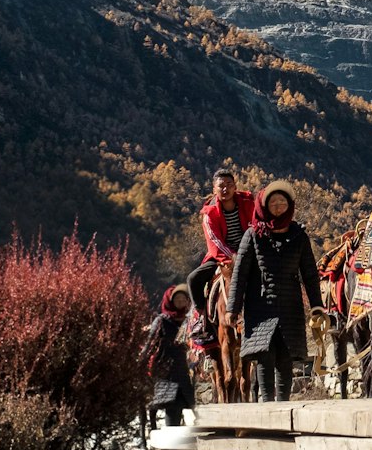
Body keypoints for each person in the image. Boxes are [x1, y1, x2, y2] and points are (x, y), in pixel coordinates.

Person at [230, 179, 324, 402]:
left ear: (289, 205)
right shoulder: (252, 235)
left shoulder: (299, 236)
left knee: (286, 357)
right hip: (260, 306)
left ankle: (282, 407)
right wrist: (232, 308)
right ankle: (267, 407)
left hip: (290, 305)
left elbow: (309, 273)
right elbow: (240, 274)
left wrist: (317, 305)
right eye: (273, 202)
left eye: (282, 201)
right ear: (264, 206)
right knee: (265, 356)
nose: (278, 206)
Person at [186, 169, 256, 318]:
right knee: (193, 279)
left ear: (235, 187)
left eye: (229, 184)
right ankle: (201, 318)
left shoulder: (248, 204)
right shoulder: (210, 214)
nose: (225, 189)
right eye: (221, 186)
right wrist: (234, 257)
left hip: (251, 251)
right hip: (223, 255)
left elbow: (257, 227)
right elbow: (215, 242)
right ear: (214, 189)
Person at [139, 284, 195, 428]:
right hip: (167, 371)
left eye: (184, 299)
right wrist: (141, 362)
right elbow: (150, 343)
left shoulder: (190, 321)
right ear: (170, 301)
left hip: (186, 371)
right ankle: (171, 445)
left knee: (191, 405)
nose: (181, 302)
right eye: (177, 299)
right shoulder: (161, 321)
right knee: (172, 407)